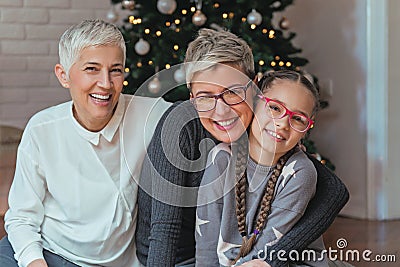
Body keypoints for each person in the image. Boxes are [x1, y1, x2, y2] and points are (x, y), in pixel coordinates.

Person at [135, 29, 349, 266]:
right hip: (179, 258)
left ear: (255, 89)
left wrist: (271, 259)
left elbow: (334, 191)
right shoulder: (179, 126)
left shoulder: (265, 128)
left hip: (242, 257)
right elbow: (165, 230)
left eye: (234, 93)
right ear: (191, 96)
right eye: (205, 96)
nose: (222, 110)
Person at [0, 19, 171, 267]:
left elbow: (205, 114)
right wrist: (34, 262)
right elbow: (22, 217)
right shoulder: (41, 129)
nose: (105, 83)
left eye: (115, 70)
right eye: (92, 69)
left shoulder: (152, 115)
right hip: (50, 251)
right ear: (63, 75)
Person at [196, 70, 329, 266]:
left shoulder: (300, 172)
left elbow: (266, 251)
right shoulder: (221, 159)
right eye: (275, 108)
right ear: (255, 104)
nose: (283, 123)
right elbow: (206, 243)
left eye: (298, 119)